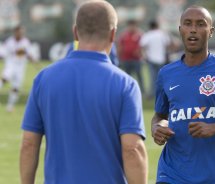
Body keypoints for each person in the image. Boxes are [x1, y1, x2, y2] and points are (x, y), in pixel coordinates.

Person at [20, 1, 148, 184]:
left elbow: (29, 144)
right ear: (113, 34)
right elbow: (132, 149)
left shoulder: (44, 78)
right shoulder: (125, 84)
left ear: (75, 32)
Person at [151, 5, 215, 184]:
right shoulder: (166, 73)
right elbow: (159, 116)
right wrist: (156, 129)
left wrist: (214, 128)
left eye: (201, 24)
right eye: (188, 24)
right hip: (170, 174)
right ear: (180, 30)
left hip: (211, 175)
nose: (193, 29)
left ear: (211, 31)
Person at [0, 25, 36, 112]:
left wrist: (33, 60)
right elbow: (3, 53)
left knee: (16, 87)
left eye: (22, 32)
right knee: (5, 79)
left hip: (20, 67)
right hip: (11, 64)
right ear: (15, 32)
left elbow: (29, 54)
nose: (21, 33)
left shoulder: (26, 42)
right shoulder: (9, 42)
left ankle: (10, 106)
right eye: (19, 32)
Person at [140, 20, 171, 99]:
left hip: (151, 59)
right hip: (161, 59)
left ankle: (152, 94)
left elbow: (142, 46)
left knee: (152, 78)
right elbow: (167, 45)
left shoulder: (148, 35)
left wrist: (145, 56)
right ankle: (164, 93)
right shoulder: (162, 34)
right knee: (163, 77)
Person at [117, 19, 145, 93]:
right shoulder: (123, 35)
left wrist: (139, 52)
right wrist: (119, 57)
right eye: (130, 26)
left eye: (133, 26)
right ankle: (127, 91)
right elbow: (120, 46)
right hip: (126, 59)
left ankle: (142, 91)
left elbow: (143, 46)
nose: (132, 27)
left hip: (136, 60)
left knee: (139, 76)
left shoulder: (140, 35)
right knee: (127, 76)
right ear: (128, 26)